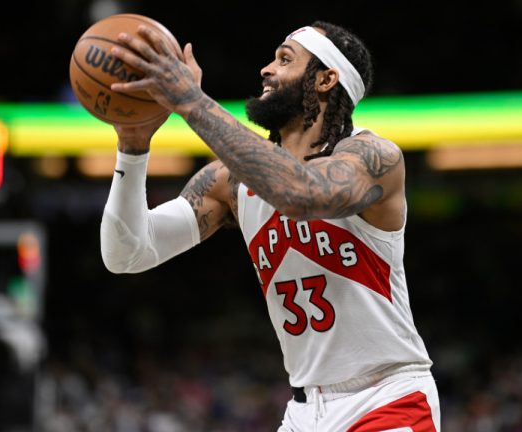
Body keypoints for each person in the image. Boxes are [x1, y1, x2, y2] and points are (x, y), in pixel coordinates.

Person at [100, 20, 441, 431]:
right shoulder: (230, 181)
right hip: (303, 411)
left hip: (387, 399)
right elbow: (128, 253)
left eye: (284, 59)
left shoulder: (373, 158)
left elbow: (301, 193)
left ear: (326, 79)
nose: (266, 69)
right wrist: (132, 148)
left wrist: (190, 100)